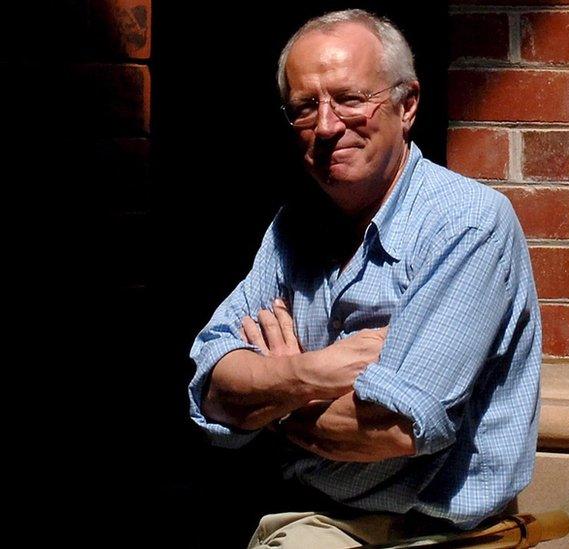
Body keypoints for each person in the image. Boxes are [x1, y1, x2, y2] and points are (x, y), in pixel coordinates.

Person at [187, 9, 542, 548]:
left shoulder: (466, 223)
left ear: (408, 106)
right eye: (306, 107)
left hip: (425, 531)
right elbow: (211, 390)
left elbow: (395, 430)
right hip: (296, 508)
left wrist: (273, 400)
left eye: (351, 99)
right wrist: (315, 373)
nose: (327, 126)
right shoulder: (294, 226)